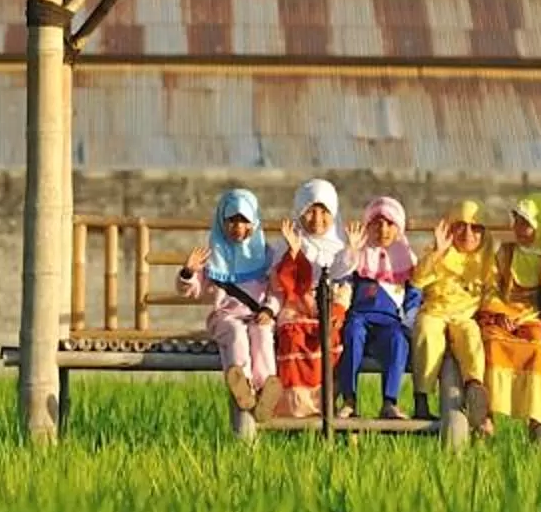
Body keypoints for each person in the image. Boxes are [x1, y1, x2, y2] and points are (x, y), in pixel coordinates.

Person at [176, 186, 279, 412]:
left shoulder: (265, 254)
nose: (238, 228)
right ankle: (243, 384)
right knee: (235, 334)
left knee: (262, 333)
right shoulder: (213, 256)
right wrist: (188, 272)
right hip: (225, 317)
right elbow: (192, 290)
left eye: (244, 221)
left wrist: (269, 309)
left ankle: (266, 388)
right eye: (231, 221)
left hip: (257, 316)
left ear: (254, 222)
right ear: (222, 222)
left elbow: (277, 290)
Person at [479, 194, 541, 442]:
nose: (519, 229)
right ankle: (486, 418)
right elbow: (491, 287)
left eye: (527, 224)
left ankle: (537, 420)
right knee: (491, 346)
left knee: (536, 349)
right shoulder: (506, 253)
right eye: (517, 222)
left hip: (533, 319)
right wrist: (501, 313)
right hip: (502, 317)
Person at [268, 179, 344, 420]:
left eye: (324, 212)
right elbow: (281, 285)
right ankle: (294, 407)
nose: (317, 219)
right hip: (294, 306)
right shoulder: (285, 244)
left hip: (329, 308)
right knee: (292, 335)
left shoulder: (341, 247)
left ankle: (323, 408)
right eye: (310, 211)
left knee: (326, 337)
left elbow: (345, 285)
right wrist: (292, 254)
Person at [334, 196, 415, 419]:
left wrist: (411, 321)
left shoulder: (406, 258)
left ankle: (390, 401)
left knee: (399, 340)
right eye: (377, 223)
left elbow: (414, 296)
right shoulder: (358, 253)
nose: (383, 230)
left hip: (389, 323)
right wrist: (350, 250)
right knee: (352, 333)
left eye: (390, 224)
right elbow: (342, 278)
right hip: (360, 317)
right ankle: (349, 399)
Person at [410, 198, 492, 421]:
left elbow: (491, 292)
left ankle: (474, 388)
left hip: (464, 315)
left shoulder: (487, 258)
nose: (468, 233)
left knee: (471, 335)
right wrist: (437, 252)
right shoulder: (439, 252)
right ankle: (421, 399)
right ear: (450, 228)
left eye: (475, 228)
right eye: (460, 226)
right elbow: (417, 280)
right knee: (426, 332)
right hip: (435, 311)